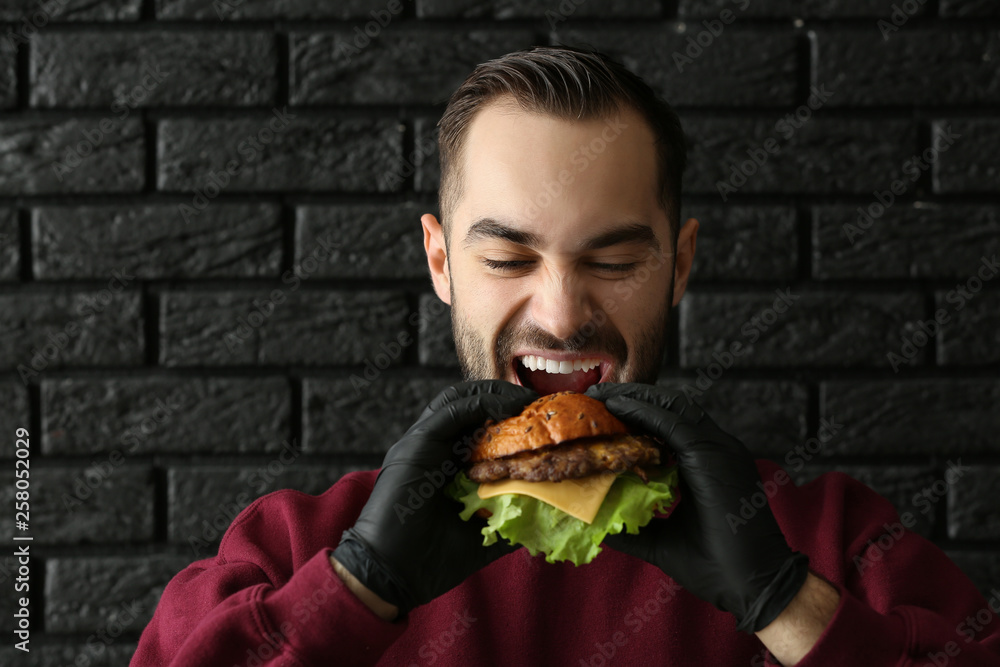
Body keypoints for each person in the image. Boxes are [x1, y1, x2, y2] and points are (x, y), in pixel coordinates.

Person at [131, 45, 1000, 666]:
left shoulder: (830, 543)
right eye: (507, 258)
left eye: (615, 260)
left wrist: (789, 605)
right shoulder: (295, 548)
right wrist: (354, 591)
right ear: (440, 264)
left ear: (680, 265)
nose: (561, 314)